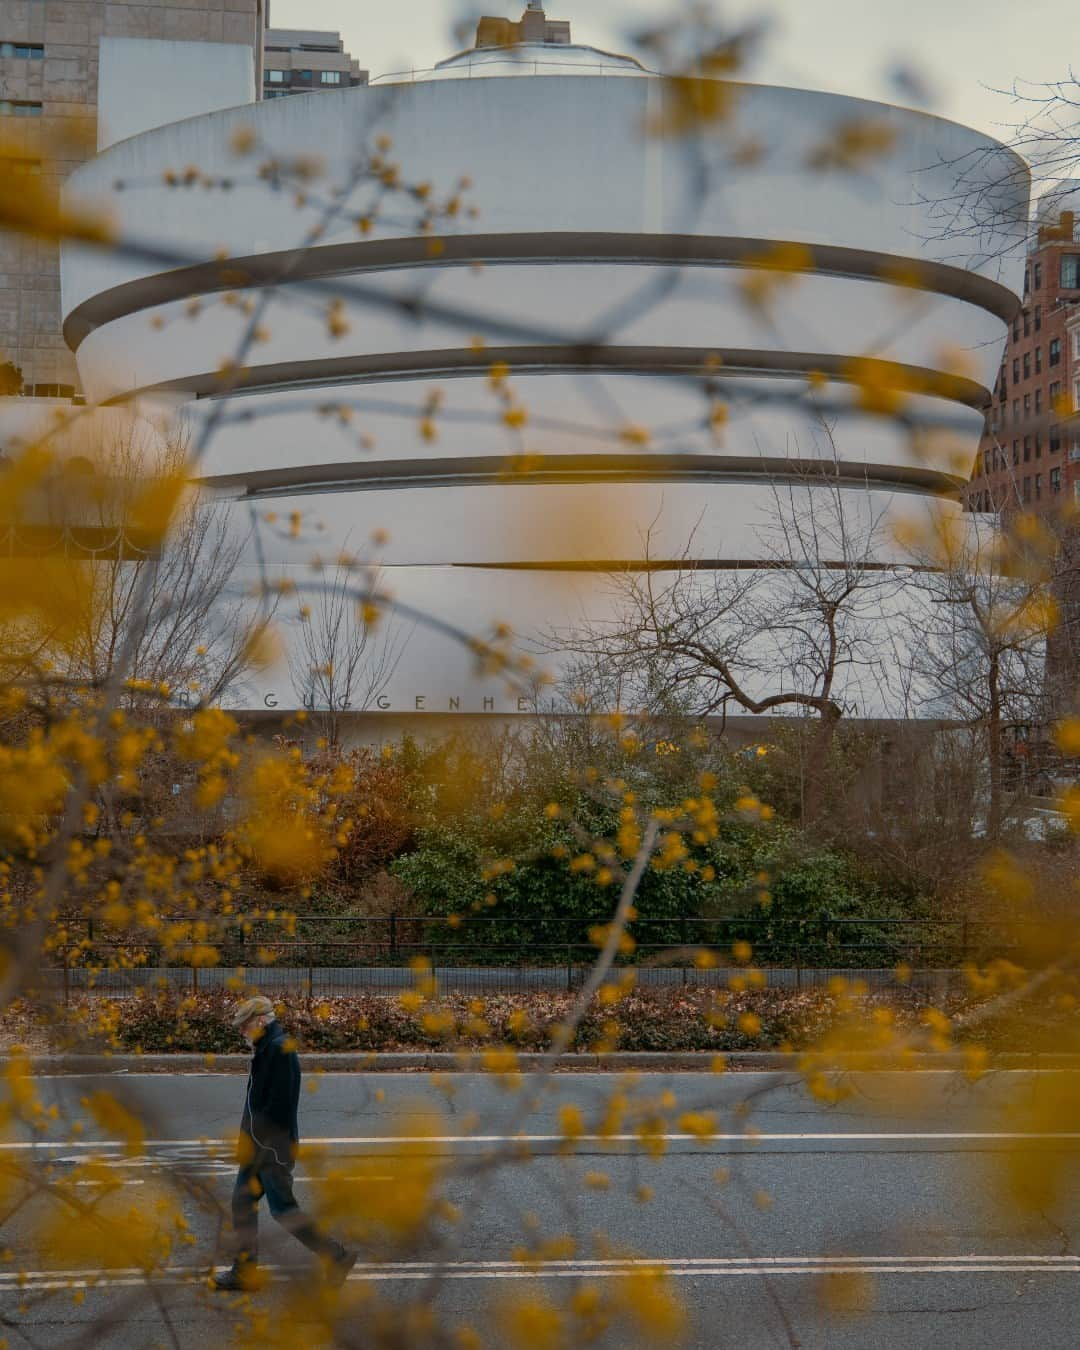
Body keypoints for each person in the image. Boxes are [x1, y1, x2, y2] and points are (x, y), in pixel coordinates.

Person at [212, 995, 357, 1291]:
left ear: (261, 1022)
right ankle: (245, 1272)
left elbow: (278, 1108)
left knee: (283, 1210)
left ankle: (336, 1256)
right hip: (258, 1147)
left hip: (271, 1150)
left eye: (245, 1026)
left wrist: (261, 1145)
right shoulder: (266, 1048)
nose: (242, 1032)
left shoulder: (279, 1051)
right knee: (242, 1202)